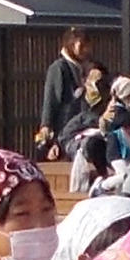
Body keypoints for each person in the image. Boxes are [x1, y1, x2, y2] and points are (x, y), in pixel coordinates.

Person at [39, 27, 105, 165]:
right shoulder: (59, 67)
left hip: (89, 124)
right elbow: (51, 100)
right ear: (70, 45)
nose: (85, 50)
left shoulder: (93, 67)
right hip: (66, 126)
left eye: (87, 46)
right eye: (80, 46)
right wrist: (47, 126)